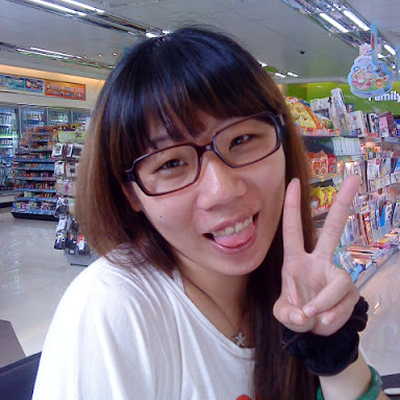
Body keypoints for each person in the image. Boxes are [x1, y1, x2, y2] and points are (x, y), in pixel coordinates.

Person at [32, 27, 386, 399]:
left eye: (242, 140)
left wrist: (334, 355)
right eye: (171, 163)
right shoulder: (113, 310)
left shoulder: (288, 281)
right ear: (131, 193)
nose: (222, 191)